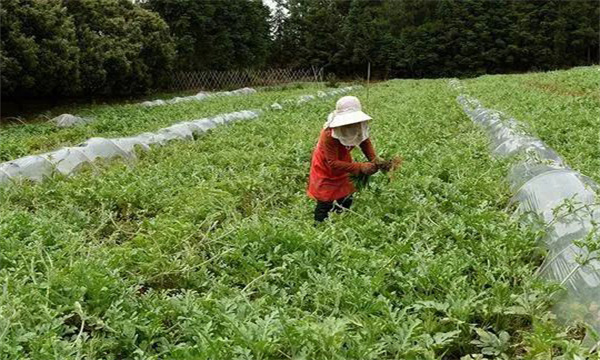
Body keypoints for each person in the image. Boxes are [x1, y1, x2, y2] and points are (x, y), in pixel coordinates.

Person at [307, 96, 380, 222]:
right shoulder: (329, 134)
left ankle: (341, 216)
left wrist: (375, 160)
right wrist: (360, 167)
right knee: (326, 198)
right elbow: (332, 163)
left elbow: (364, 142)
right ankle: (319, 224)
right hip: (325, 164)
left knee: (346, 193)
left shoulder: (359, 126)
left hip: (343, 160)